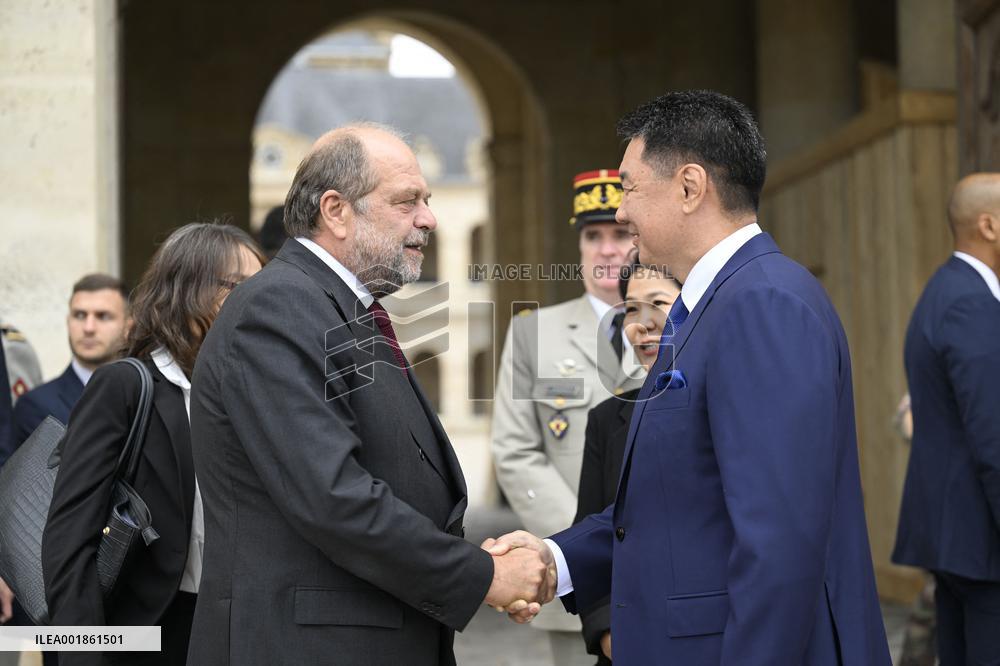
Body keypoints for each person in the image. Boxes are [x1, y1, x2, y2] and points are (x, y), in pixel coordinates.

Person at [486, 90, 890, 665]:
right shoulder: (710, 306)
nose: (620, 212)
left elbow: (778, 546)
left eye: (628, 187)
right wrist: (558, 557)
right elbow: (671, 502)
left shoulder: (762, 305)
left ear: (689, 187)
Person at [186, 124, 549, 666]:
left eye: (426, 200)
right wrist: (483, 575)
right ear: (336, 211)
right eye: (407, 202)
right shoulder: (277, 310)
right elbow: (333, 497)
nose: (428, 218)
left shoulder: (340, 308)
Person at [42, 223, 264, 666]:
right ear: (189, 291)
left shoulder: (255, 392)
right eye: (241, 287)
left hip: (233, 631)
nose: (260, 301)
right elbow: (68, 539)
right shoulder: (123, 386)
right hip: (146, 634)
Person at [491, 168, 643, 664]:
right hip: (578, 578)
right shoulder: (535, 332)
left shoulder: (674, 326)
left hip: (663, 562)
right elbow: (515, 450)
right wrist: (582, 543)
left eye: (620, 234)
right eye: (592, 236)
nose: (606, 249)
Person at [892, 172, 1000, 665]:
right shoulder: (973, 304)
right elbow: (993, 437)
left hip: (954, 537)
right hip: (982, 542)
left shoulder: (944, 289)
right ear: (989, 226)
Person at [574, 253, 679, 664]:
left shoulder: (733, 407)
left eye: (659, 303)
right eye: (632, 308)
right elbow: (592, 533)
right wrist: (605, 631)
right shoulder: (606, 421)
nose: (643, 322)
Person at [11, 274, 129, 448]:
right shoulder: (36, 406)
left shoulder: (150, 395)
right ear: (68, 321)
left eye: (103, 316)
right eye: (80, 315)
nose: (88, 328)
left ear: (129, 326)